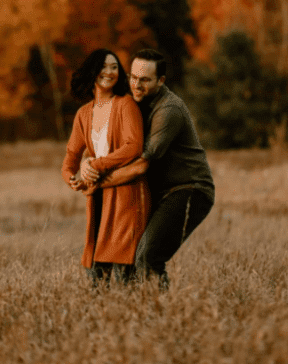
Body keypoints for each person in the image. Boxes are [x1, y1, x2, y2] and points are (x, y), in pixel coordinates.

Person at [81, 49, 214, 288]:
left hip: (188, 189)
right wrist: (86, 163)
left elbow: (141, 165)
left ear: (161, 81)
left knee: (148, 256)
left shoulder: (168, 110)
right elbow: (104, 140)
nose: (136, 85)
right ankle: (135, 314)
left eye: (144, 80)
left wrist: (95, 183)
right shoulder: (132, 102)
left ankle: (162, 315)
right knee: (131, 256)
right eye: (133, 77)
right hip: (156, 192)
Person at [61, 49, 150, 286]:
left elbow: (134, 146)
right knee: (95, 272)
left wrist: (94, 165)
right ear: (92, 71)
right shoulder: (83, 114)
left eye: (114, 67)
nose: (110, 72)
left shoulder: (125, 104)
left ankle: (132, 315)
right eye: (104, 66)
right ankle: (101, 318)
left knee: (123, 271)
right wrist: (72, 176)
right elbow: (71, 155)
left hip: (126, 195)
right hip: (98, 195)